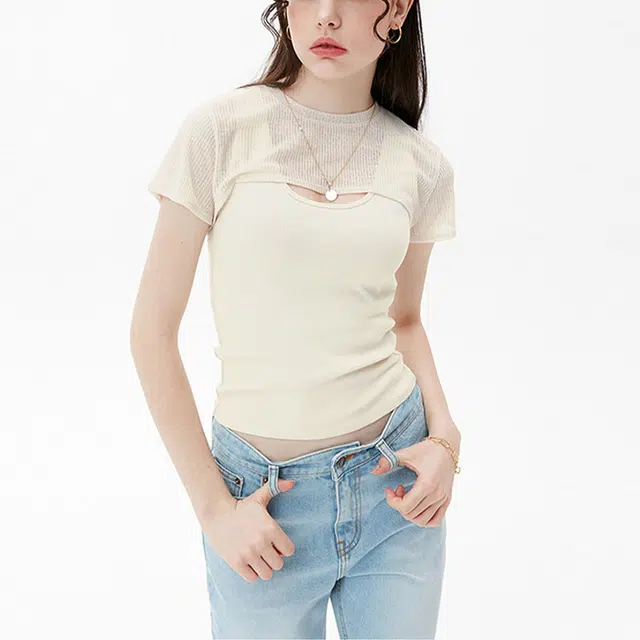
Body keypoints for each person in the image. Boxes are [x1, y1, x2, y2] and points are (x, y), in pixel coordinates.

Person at [130, 0, 462, 637]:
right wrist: (215, 510)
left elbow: (405, 320)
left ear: (397, 10)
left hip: (396, 486)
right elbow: (151, 332)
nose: (327, 16)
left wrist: (446, 439)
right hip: (261, 503)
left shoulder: (421, 165)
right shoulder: (220, 130)